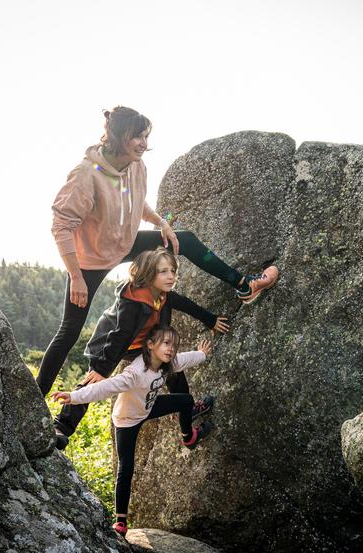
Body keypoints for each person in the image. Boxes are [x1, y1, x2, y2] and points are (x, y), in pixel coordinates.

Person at [36, 105, 279, 401]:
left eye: (145, 136)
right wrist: (76, 276)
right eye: (137, 136)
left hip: (124, 243)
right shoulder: (87, 174)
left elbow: (135, 201)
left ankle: (244, 285)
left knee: (184, 240)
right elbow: (61, 226)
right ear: (118, 136)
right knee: (69, 331)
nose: (143, 143)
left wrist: (161, 222)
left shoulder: (136, 166)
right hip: (90, 261)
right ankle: (35, 398)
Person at [53, 247, 225, 449]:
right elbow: (121, 335)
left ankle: (189, 413)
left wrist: (211, 320)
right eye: (163, 271)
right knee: (93, 381)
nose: (171, 276)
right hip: (111, 344)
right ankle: (61, 428)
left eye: (173, 271)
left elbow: (187, 305)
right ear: (149, 274)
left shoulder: (163, 295)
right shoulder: (133, 300)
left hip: (140, 344)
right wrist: (101, 369)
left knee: (172, 369)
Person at [53, 326, 214, 536]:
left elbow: (184, 359)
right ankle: (120, 521)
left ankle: (188, 437)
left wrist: (202, 354)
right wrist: (74, 397)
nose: (171, 349)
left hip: (148, 407)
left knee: (186, 400)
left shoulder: (167, 363)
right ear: (150, 345)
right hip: (127, 420)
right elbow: (106, 387)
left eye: (174, 345)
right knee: (126, 467)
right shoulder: (135, 372)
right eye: (166, 343)